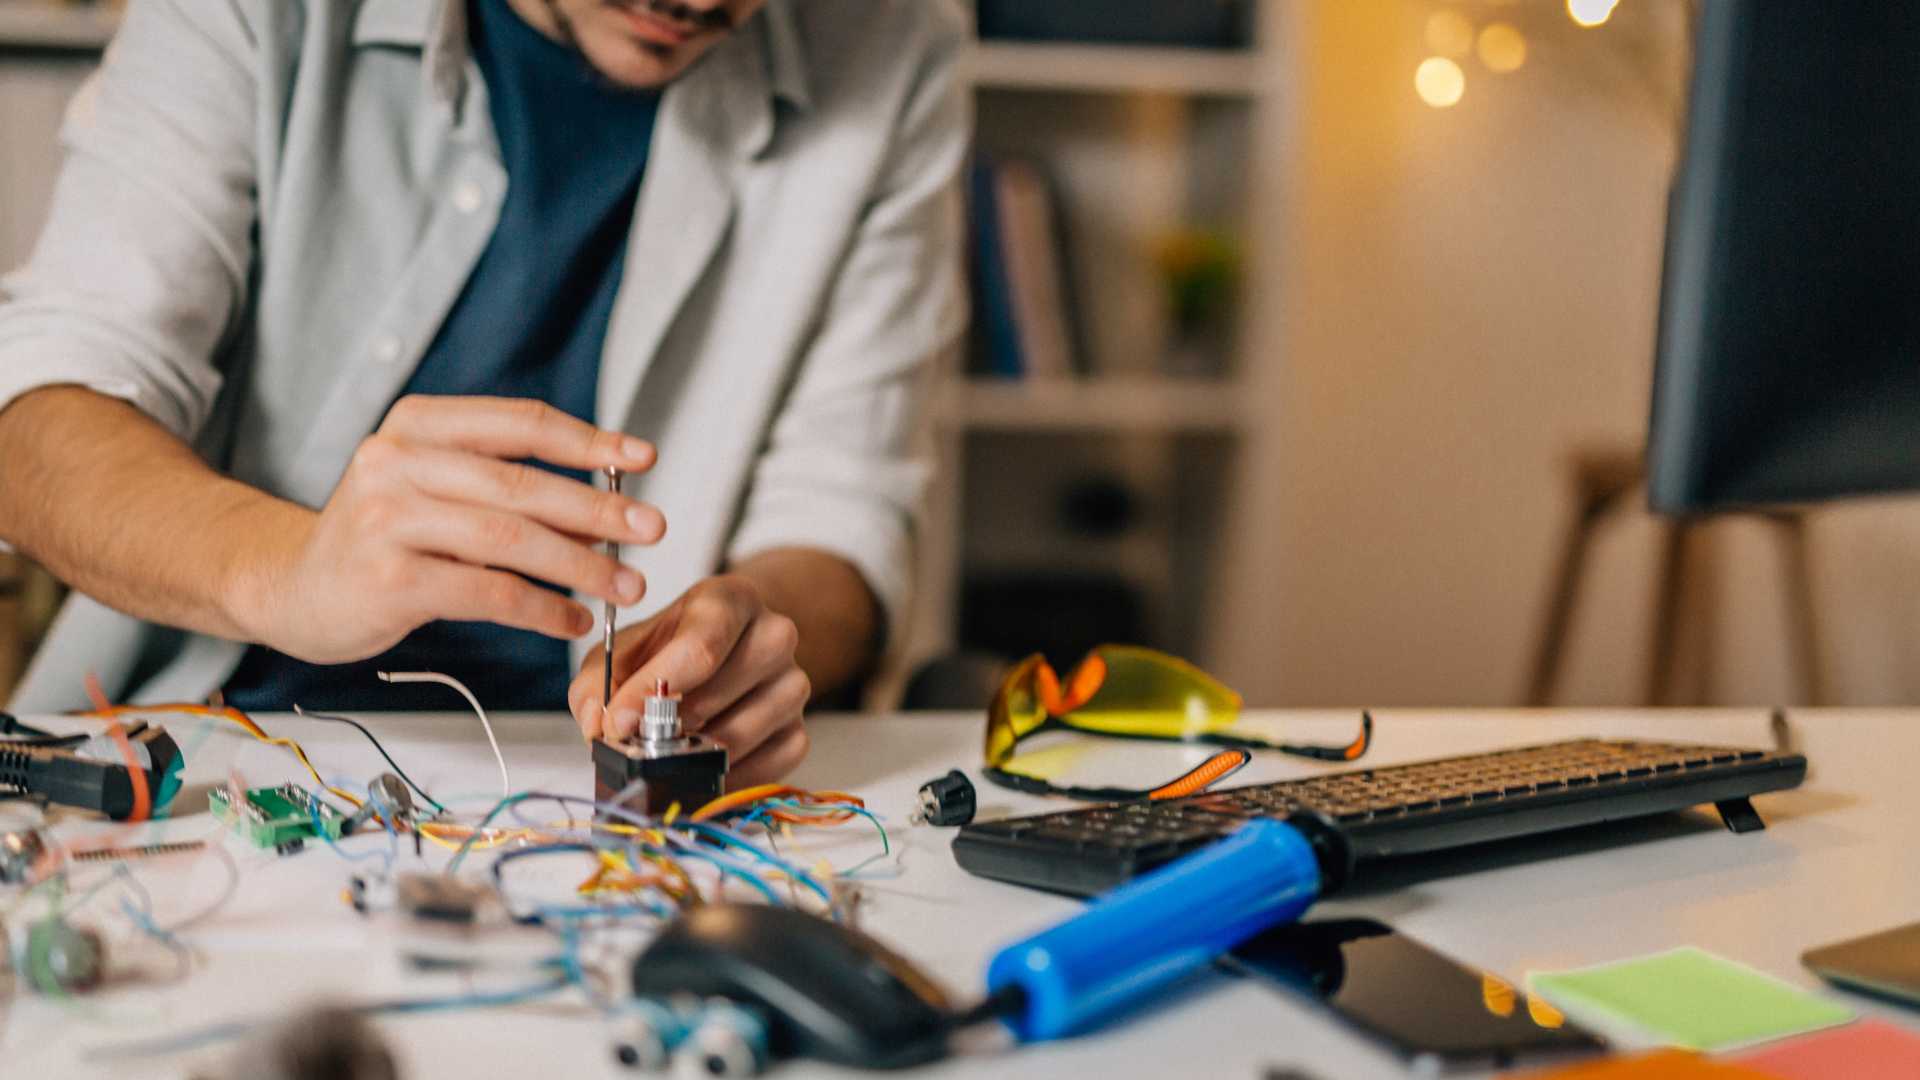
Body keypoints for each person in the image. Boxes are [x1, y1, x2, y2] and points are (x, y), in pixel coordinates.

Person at [0, 0, 968, 788]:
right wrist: (288, 571)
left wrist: (748, 638)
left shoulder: (899, 48)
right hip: (205, 767)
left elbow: (843, 512)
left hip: (594, 803)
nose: (702, 1)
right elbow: (38, 417)